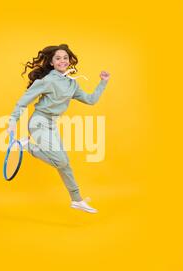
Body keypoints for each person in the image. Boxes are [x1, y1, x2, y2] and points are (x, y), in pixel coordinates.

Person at [7, 44, 110, 213]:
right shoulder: (47, 81)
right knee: (61, 160)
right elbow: (25, 100)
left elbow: (91, 100)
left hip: (52, 125)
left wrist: (103, 83)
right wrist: (13, 119)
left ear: (69, 61)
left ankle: (77, 200)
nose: (62, 60)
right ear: (51, 63)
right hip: (39, 122)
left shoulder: (72, 84)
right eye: (58, 58)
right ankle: (27, 146)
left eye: (65, 58)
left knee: (64, 164)